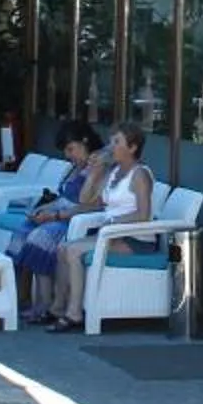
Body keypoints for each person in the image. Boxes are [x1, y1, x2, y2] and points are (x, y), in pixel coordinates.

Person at [45, 120, 155, 334]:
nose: (111, 146)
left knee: (74, 251)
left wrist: (114, 223)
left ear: (132, 148)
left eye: (117, 142)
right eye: (111, 141)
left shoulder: (140, 174)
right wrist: (94, 173)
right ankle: (59, 307)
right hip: (111, 235)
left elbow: (144, 215)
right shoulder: (114, 173)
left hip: (134, 240)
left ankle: (74, 313)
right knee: (63, 248)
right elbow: (87, 201)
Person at [12, 121, 102, 324]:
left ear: (85, 141)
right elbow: (62, 196)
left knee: (41, 237)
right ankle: (22, 298)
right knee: (22, 232)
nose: (68, 155)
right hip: (60, 214)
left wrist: (55, 215)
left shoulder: (97, 168)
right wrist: (45, 208)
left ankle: (46, 304)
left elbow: (92, 205)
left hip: (78, 221)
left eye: (71, 149)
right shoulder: (75, 168)